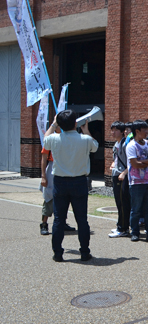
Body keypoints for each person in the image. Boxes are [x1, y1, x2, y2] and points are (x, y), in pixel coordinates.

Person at [43, 110, 99, 262]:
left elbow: (45, 139)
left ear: (60, 124)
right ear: (76, 123)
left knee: (59, 219)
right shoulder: (85, 139)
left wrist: (54, 124)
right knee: (82, 219)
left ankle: (58, 253)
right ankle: (85, 252)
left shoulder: (54, 138)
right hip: (79, 181)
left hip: (60, 181)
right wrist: (86, 131)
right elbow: (95, 147)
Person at [126, 119, 148, 243]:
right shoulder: (131, 146)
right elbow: (134, 164)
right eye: (145, 130)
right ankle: (135, 232)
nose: (147, 132)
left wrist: (142, 162)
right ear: (137, 131)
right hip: (136, 182)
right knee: (136, 209)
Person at [108, 121, 132, 238]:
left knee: (123, 203)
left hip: (123, 176)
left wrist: (124, 173)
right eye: (112, 130)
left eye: (116, 130)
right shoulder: (116, 144)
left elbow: (131, 162)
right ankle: (120, 225)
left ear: (122, 131)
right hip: (116, 174)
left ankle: (123, 228)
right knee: (119, 202)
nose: (113, 132)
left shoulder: (125, 144)